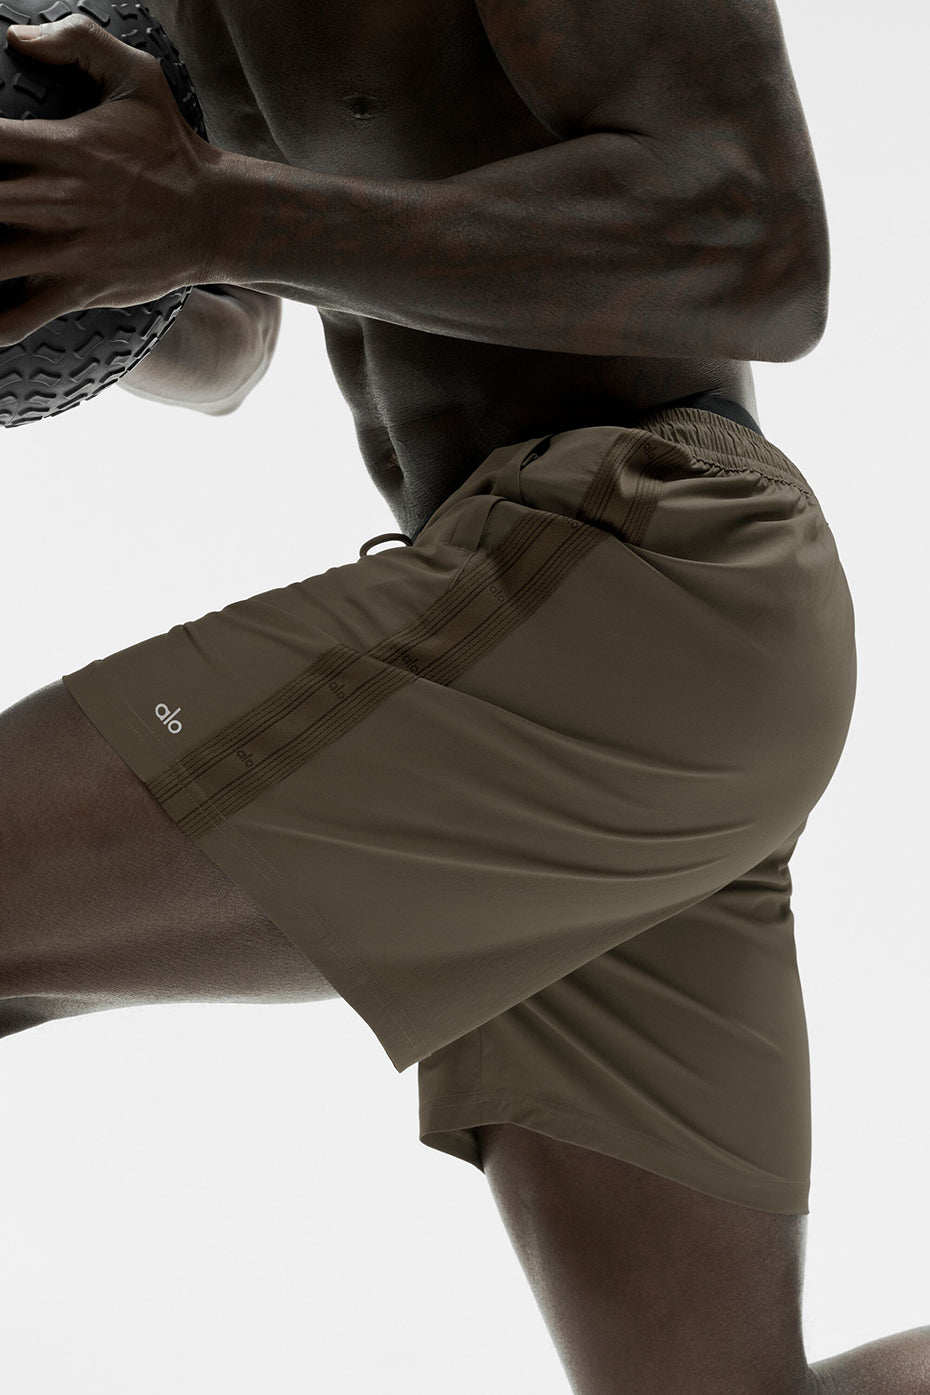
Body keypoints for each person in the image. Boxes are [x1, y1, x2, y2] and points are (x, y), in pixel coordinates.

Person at [0, 2, 925, 1391]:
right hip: (583, 651)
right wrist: (68, 249)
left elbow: (758, 245)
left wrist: (209, 213)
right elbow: (231, 330)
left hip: (635, 577)